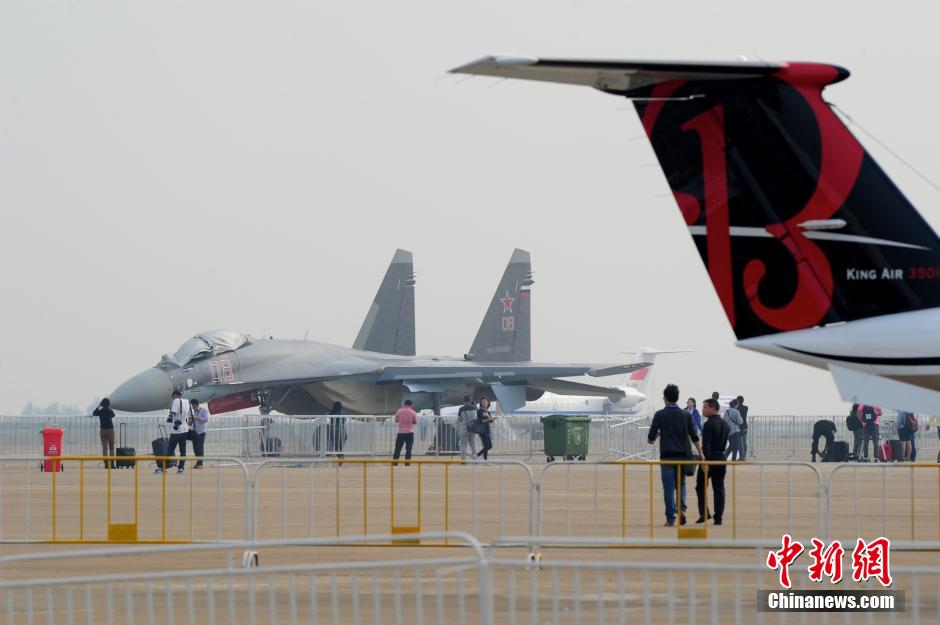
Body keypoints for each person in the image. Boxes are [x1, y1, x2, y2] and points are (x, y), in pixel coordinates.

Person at [648, 383, 703, 527]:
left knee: (668, 488)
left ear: (664, 398)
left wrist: (660, 434)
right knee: (681, 484)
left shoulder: (660, 415)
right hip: (683, 457)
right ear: (677, 398)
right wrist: (700, 453)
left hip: (667, 457)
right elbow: (694, 436)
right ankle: (682, 509)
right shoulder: (685, 415)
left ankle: (670, 518)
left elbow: (651, 439)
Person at [695, 398, 729, 525]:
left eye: (705, 407)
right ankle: (718, 517)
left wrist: (705, 462)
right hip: (721, 458)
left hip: (709, 458)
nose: (703, 409)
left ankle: (704, 513)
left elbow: (707, 444)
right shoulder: (725, 424)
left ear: (713, 408)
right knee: (719, 488)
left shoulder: (708, 424)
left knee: (700, 486)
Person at [159, 390, 190, 474]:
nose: (172, 399)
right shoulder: (186, 401)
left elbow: (174, 412)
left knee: (170, 449)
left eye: (172, 397)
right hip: (185, 429)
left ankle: (164, 467)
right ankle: (181, 468)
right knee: (183, 450)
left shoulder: (176, 401)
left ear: (175, 395)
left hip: (176, 430)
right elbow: (188, 414)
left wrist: (170, 410)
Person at [93, 398, 116, 468]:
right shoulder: (109, 411)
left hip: (103, 430)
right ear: (108, 404)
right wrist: (110, 408)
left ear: (102, 404)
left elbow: (94, 413)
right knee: (111, 448)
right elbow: (113, 415)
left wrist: (98, 406)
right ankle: (112, 464)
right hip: (110, 430)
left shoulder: (100, 411)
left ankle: (106, 464)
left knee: (104, 448)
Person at [393, 399, 418, 464]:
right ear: (411, 405)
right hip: (409, 433)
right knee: (408, 449)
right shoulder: (413, 412)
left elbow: (396, 420)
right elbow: (415, 422)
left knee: (397, 448)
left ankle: (395, 463)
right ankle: (407, 463)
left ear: (404, 404)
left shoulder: (399, 411)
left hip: (401, 433)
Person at [457, 395, 479, 462]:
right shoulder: (475, 408)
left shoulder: (461, 408)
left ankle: (464, 460)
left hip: (464, 429)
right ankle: (475, 459)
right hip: (473, 429)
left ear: (464, 400)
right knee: (473, 444)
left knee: (463, 445)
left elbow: (459, 420)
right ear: (470, 400)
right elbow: (478, 417)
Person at [189, 398, 209, 468]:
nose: (192, 407)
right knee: (195, 448)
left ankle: (200, 464)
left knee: (200, 448)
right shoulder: (192, 411)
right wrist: (190, 420)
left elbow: (206, 419)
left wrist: (197, 418)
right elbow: (189, 424)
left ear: (196, 404)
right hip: (194, 432)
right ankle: (198, 462)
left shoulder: (204, 410)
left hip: (201, 433)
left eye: (193, 405)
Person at [736, 395, 749, 459]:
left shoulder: (736, 409)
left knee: (740, 443)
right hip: (745, 426)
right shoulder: (746, 408)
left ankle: (742, 457)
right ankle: (744, 456)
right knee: (744, 443)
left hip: (739, 427)